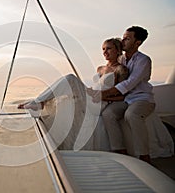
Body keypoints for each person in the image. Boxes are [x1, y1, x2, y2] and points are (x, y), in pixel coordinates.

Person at [18, 38, 129, 149]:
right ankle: (46, 115)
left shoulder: (120, 69)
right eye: (103, 49)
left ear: (118, 50)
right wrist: (90, 91)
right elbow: (98, 85)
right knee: (66, 98)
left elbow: (122, 95)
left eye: (109, 48)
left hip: (99, 103)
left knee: (71, 78)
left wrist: (103, 97)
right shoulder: (100, 68)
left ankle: (40, 102)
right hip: (90, 97)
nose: (105, 52)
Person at [98, 26, 155, 163]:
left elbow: (130, 83)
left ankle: (144, 156)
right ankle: (119, 150)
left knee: (132, 115)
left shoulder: (144, 60)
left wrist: (102, 94)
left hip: (141, 98)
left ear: (138, 43)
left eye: (128, 39)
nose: (123, 41)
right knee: (108, 114)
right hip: (125, 99)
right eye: (123, 38)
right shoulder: (121, 59)